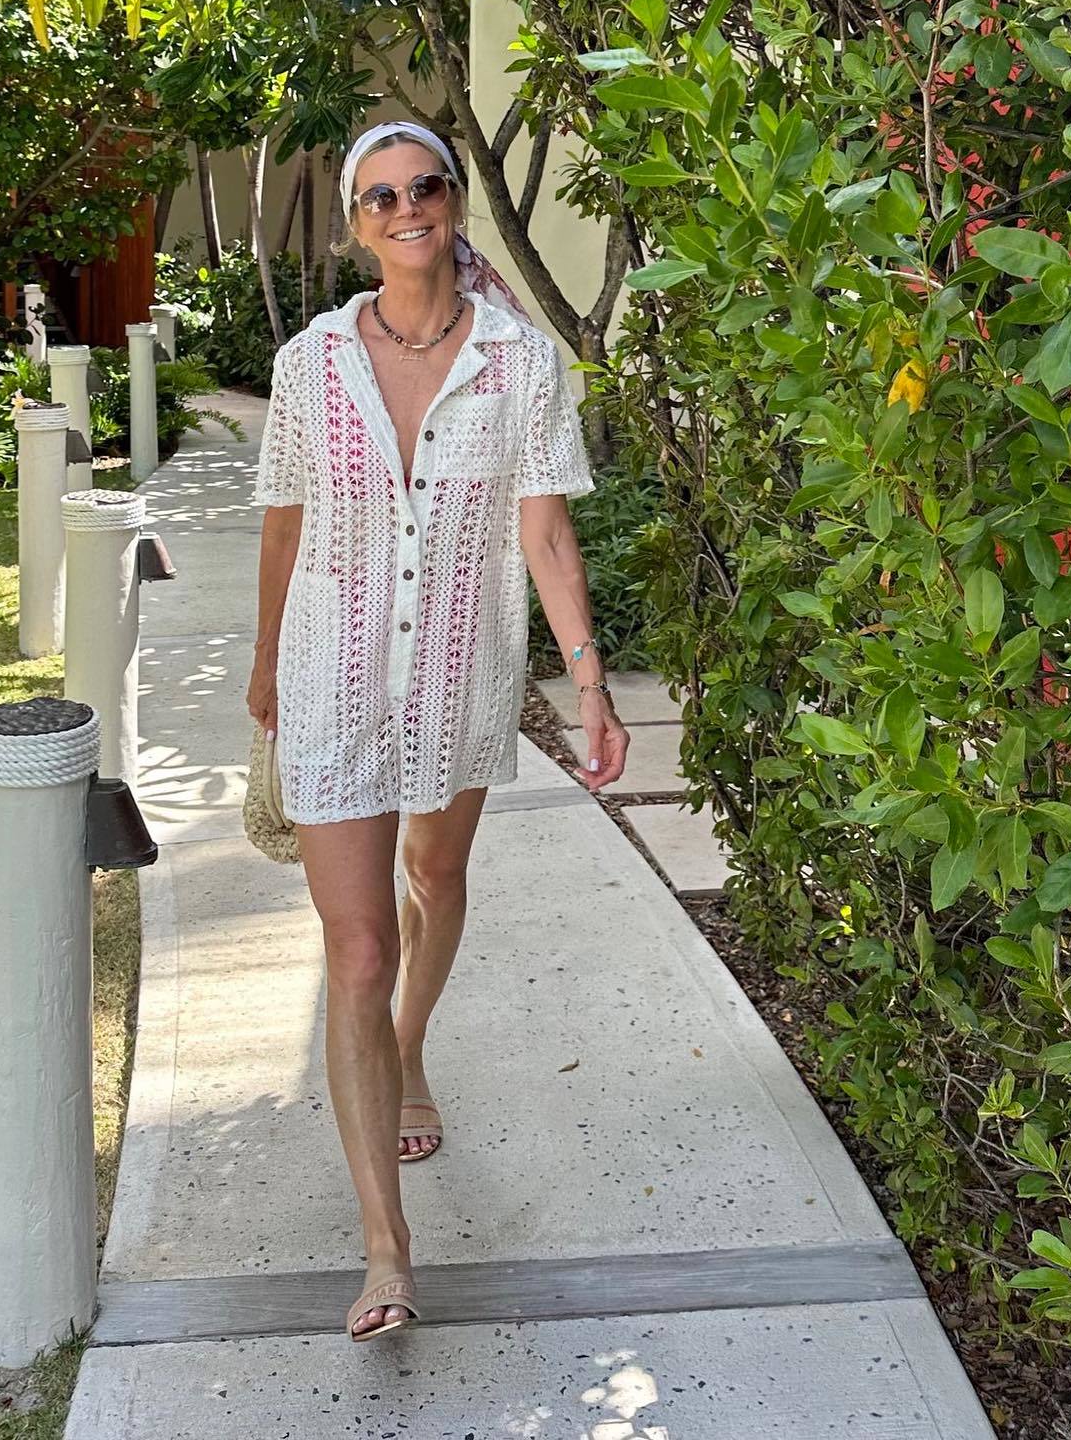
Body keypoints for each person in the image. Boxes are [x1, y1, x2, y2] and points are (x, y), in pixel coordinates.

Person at [245, 121, 630, 1343]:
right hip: (332, 674)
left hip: (459, 673)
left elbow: (546, 532)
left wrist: (589, 682)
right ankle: (386, 1249)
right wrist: (264, 661)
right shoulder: (311, 364)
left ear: (453, 202)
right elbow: (284, 520)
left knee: (436, 875)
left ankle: (411, 1049)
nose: (406, 207)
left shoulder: (520, 362)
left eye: (425, 187)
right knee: (358, 949)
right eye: (381, 196)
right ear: (356, 225)